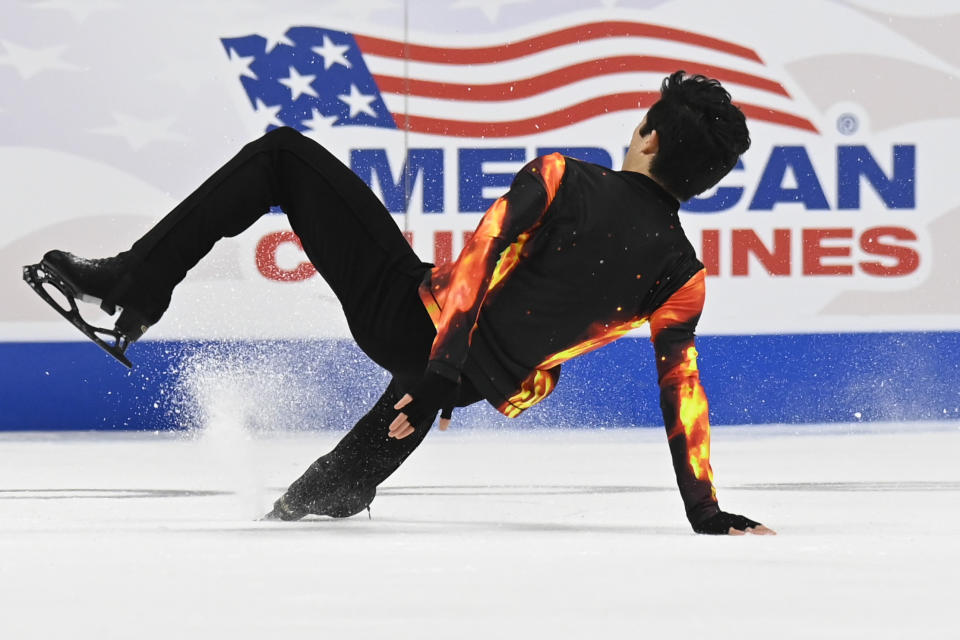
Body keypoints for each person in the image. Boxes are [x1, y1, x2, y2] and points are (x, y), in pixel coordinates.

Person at [23, 71, 774, 535]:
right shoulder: (682, 273)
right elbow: (683, 391)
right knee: (317, 502)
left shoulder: (562, 179)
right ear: (701, 177)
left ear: (647, 135)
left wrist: (440, 366)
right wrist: (705, 511)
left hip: (415, 327)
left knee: (283, 154)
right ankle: (339, 482)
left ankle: (131, 288)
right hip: (457, 386)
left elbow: (477, 265)